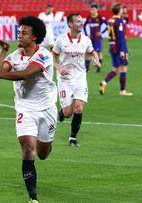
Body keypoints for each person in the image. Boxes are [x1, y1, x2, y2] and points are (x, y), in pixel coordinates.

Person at [0, 16, 57, 203]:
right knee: (28, 148)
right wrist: (3, 51)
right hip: (25, 109)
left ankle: (44, 143)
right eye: (19, 32)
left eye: (24, 33)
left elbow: (25, 74)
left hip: (46, 110)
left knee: (43, 153)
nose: (19, 35)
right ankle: (33, 197)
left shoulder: (44, 55)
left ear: (35, 36)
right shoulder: (15, 56)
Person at [52, 13, 101, 147]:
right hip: (65, 79)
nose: (81, 23)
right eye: (78, 21)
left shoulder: (86, 40)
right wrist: (58, 67)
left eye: (81, 21)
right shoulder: (61, 40)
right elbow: (53, 56)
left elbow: (92, 52)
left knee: (78, 108)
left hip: (80, 78)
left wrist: (96, 60)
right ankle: (62, 113)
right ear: (70, 24)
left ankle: (72, 138)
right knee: (68, 112)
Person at [99, 3, 133, 96]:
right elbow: (121, 36)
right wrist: (122, 50)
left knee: (116, 69)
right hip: (119, 48)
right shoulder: (119, 21)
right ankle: (122, 91)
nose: (123, 10)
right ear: (119, 11)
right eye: (122, 9)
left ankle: (104, 82)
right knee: (124, 68)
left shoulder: (110, 20)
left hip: (112, 47)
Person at [83, 4, 107, 73]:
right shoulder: (89, 17)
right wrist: (87, 34)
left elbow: (107, 24)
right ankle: (87, 69)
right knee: (88, 53)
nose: (92, 11)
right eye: (91, 9)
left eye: (93, 9)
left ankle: (98, 68)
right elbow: (84, 25)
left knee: (98, 53)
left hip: (98, 39)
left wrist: (101, 32)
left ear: (97, 10)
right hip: (91, 39)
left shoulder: (100, 17)